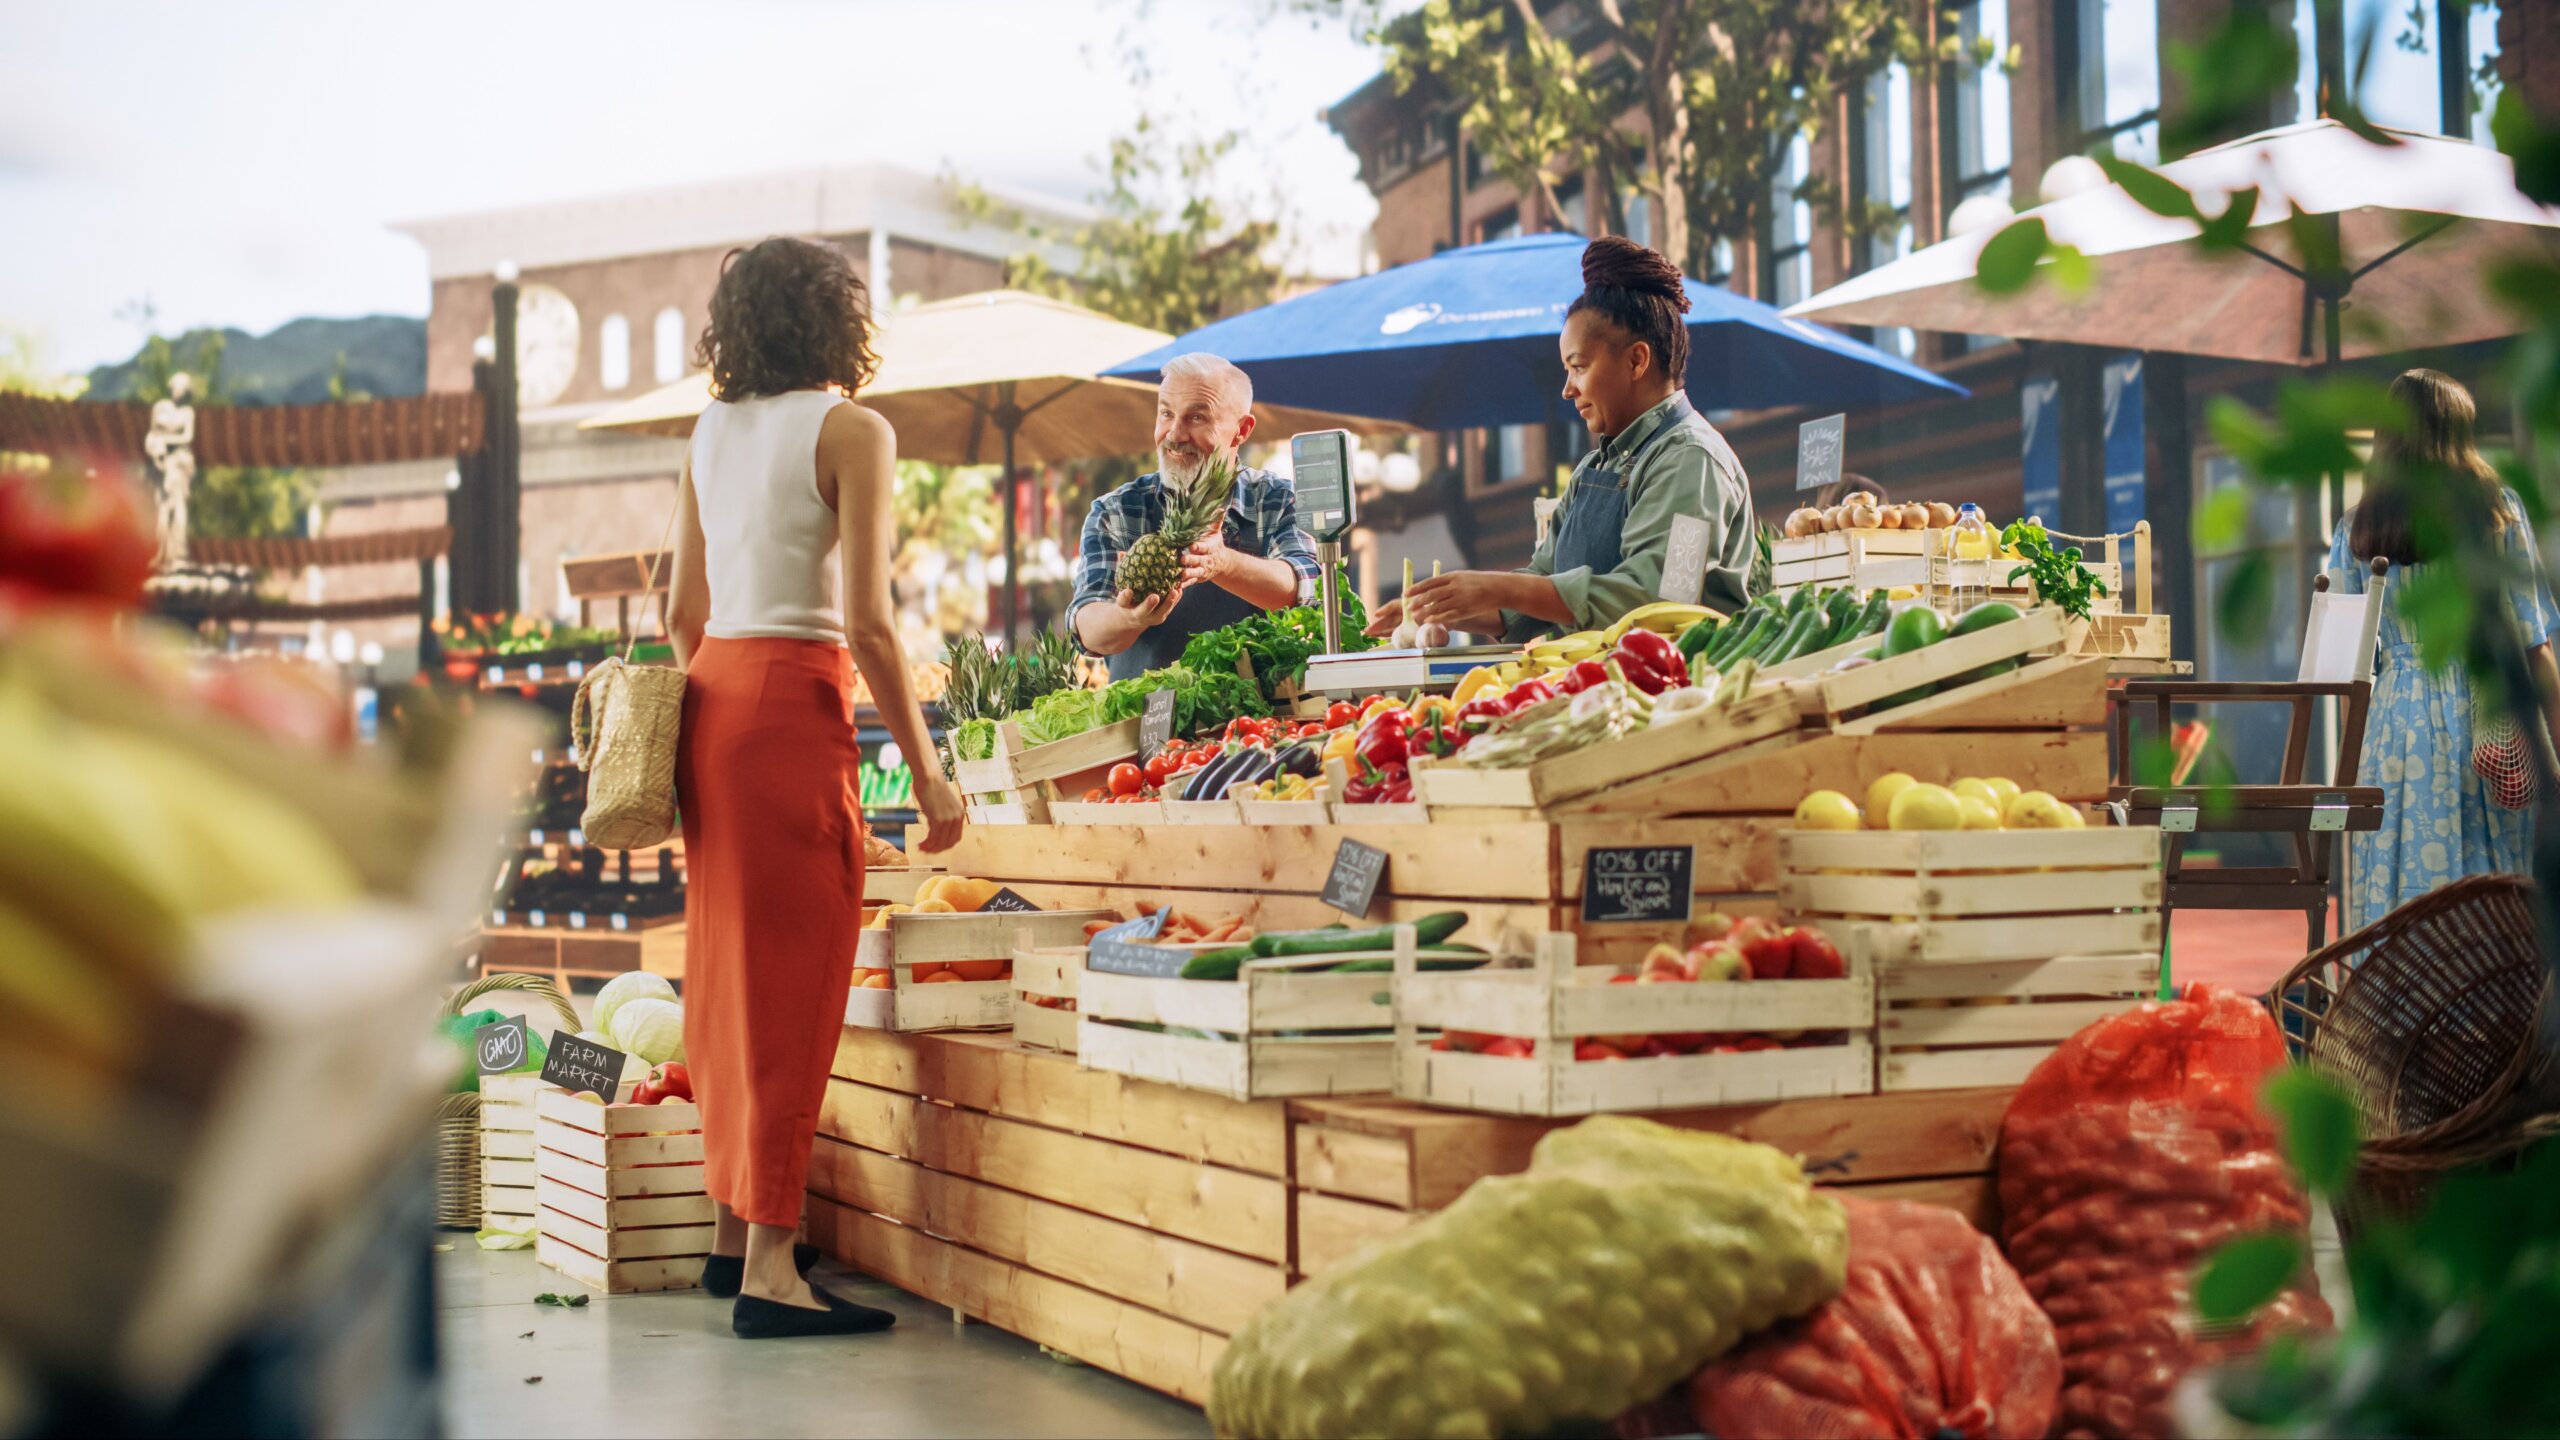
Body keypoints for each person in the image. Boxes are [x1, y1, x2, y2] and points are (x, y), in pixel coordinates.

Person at [663, 237, 964, 1338]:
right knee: (793, 982)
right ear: (840, 321)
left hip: (711, 699)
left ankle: (729, 1234)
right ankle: (775, 1273)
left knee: (727, 973)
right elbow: (872, 622)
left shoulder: (711, 430)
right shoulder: (853, 430)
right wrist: (928, 777)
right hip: (790, 700)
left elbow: (678, 617)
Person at [1365, 236, 1754, 643]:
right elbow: (1540, 587)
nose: (1568, 389)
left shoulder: (1692, 460)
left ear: (1637, 360)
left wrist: (1496, 586)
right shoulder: (1594, 467)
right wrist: (1444, 608)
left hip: (1681, 694)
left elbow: (1661, 599)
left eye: (1579, 367)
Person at [2326, 367, 2560, 930]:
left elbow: (2342, 668)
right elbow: (2534, 645)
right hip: (2487, 720)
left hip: (2392, 727)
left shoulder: (2357, 527)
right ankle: (2488, 1007)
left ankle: (2399, 1005)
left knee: (2397, 871)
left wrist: (2349, 770)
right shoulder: (2496, 511)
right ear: (2459, 433)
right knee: (2490, 880)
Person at [1069, 352, 1321, 679]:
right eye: (1166, 414)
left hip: (1256, 721)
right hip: (1144, 722)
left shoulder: (1277, 500)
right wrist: (1130, 619)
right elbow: (1087, 625)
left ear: (1241, 429)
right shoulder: (1117, 510)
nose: (1174, 434)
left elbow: (1303, 587)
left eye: (1197, 418)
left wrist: (1222, 562)